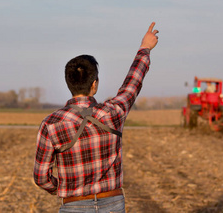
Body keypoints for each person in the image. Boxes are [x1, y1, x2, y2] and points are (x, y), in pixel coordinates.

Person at [34, 22, 159, 212]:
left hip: (73, 205)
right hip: (113, 204)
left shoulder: (51, 123)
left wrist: (62, 188)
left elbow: (41, 176)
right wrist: (145, 48)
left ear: (69, 83)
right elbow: (133, 83)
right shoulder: (113, 112)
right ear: (94, 84)